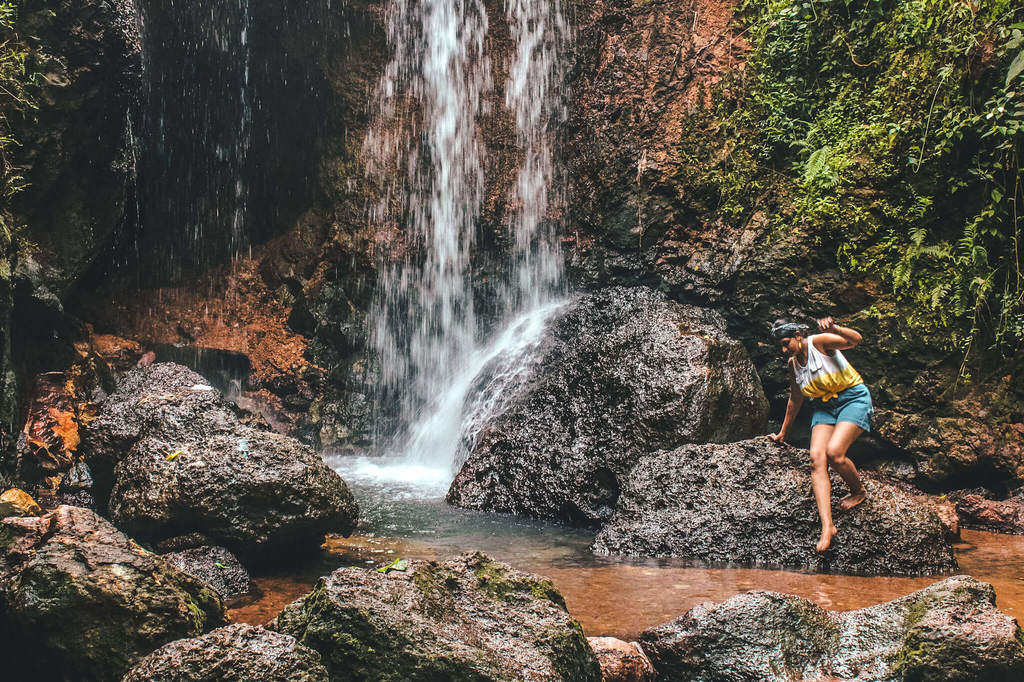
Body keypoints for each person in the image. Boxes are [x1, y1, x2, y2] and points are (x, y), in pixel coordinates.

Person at [768, 316, 871, 552]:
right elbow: (795, 399)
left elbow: (856, 340)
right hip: (824, 407)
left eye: (787, 343)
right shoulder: (793, 364)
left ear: (797, 336)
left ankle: (858, 491)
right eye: (781, 347)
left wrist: (834, 327)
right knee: (816, 459)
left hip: (852, 398)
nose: (785, 350)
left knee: (834, 453)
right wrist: (783, 432)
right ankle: (828, 527)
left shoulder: (818, 343)